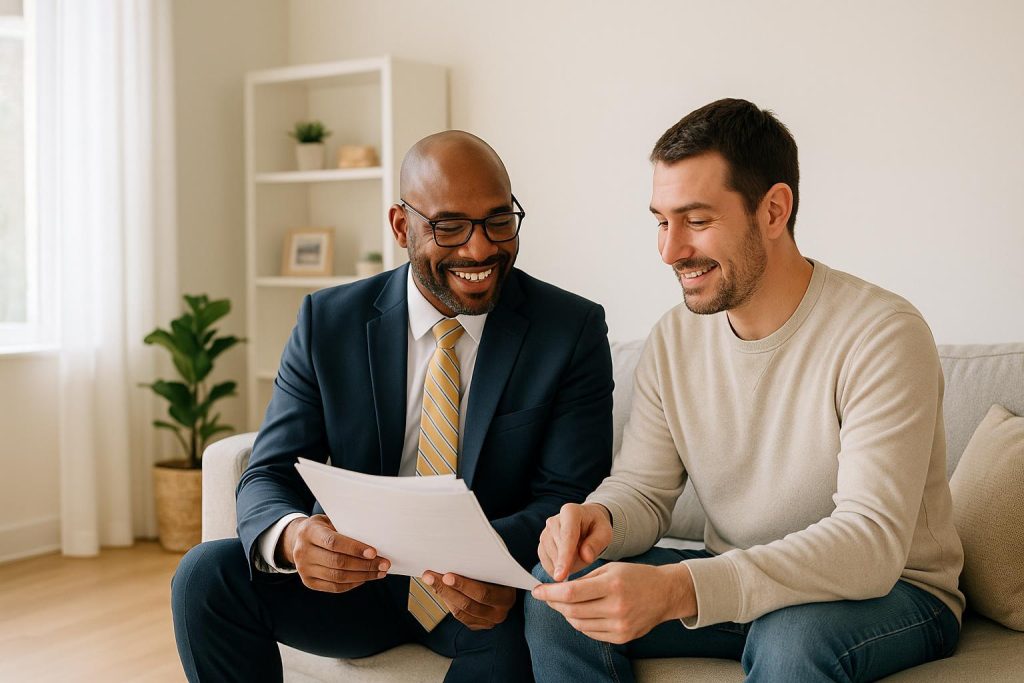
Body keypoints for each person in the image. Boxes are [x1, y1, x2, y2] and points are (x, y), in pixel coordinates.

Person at [526, 99, 964, 682]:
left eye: (697, 221)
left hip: (895, 593)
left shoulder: (882, 334)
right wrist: (600, 518)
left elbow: (869, 545)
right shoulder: (675, 337)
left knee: (791, 639)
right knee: (561, 597)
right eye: (661, 221)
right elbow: (644, 489)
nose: (670, 250)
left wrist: (682, 588)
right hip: (738, 577)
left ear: (774, 210)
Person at [171, 131, 614, 683]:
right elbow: (269, 470)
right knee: (204, 576)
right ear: (402, 226)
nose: (479, 249)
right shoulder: (327, 322)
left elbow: (569, 494)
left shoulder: (569, 330)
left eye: (499, 221)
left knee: (524, 641)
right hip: (355, 582)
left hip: (486, 599)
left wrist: (483, 564)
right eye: (449, 226)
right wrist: (292, 537)